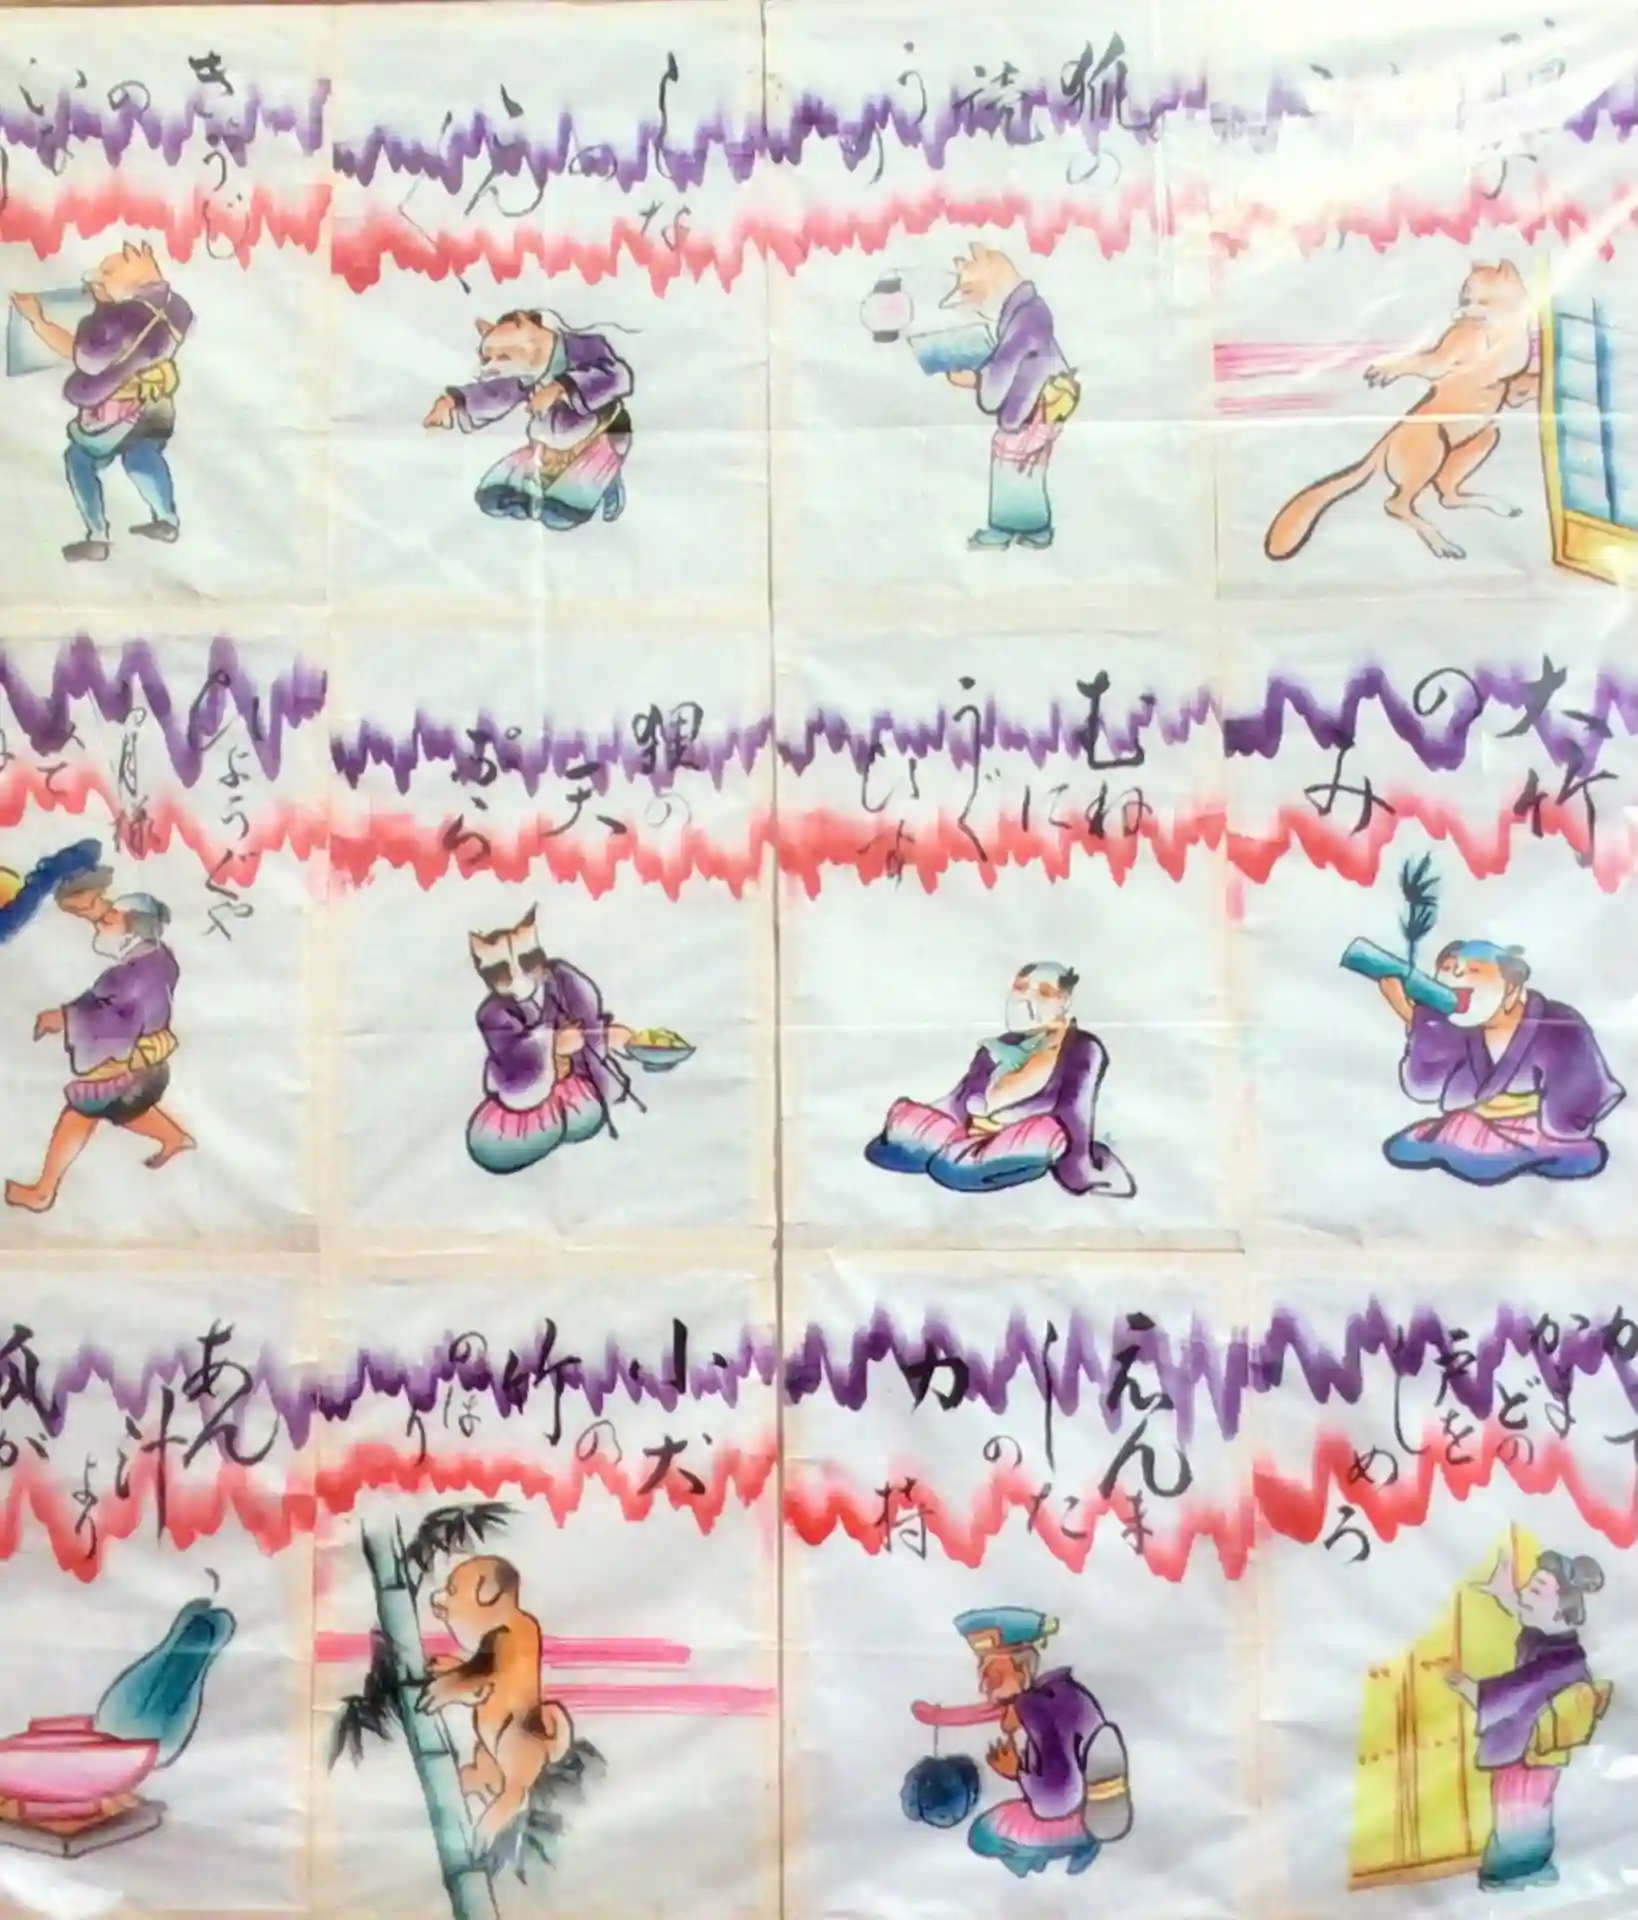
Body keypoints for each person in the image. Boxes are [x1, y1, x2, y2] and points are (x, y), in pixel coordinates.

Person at [5, 867, 193, 1212]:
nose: (98, 924)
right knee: (125, 1110)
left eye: (108, 919)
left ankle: (43, 1193)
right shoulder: (158, 958)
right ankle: (175, 1138)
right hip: (149, 1064)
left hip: (131, 1067)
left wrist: (65, 1018)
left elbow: (110, 1018)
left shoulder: (129, 977)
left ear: (132, 930)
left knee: (80, 1112)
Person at [866, 963, 1133, 1196]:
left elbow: (1076, 1112)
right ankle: (955, 1152)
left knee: (1039, 1138)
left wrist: (1080, 1166)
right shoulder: (999, 1046)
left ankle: (960, 1159)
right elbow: (959, 1099)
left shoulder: (1083, 1048)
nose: (1026, 1000)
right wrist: (925, 1119)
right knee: (905, 1124)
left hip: (1022, 1136)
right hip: (971, 1134)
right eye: (1020, 989)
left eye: (1044, 993)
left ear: (1064, 1002)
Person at [1376, 940, 1623, 1183]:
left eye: (1475, 970)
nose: (1457, 974)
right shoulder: (1458, 1025)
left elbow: (1578, 1093)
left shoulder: (1558, 1022)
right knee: (1420, 1144)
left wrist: (1562, 1126)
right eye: (1448, 968)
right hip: (1473, 1122)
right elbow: (1425, 1086)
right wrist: (1416, 1018)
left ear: (1511, 988)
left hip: (1537, 1127)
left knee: (1568, 1154)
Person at [9, 239, 194, 562]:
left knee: (79, 458)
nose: (100, 278)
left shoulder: (121, 316)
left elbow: (87, 359)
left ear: (137, 264)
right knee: (141, 456)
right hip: (157, 405)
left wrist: (39, 320)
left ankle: (97, 536)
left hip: (118, 410)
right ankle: (167, 520)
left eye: (109, 272)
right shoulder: (177, 307)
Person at [1445, 1551, 1612, 1890]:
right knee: (1529, 1811)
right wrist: (1506, 1593)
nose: (1524, 1594)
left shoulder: (1555, 1662)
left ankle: (1512, 1876)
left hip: (1527, 1752)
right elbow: (1527, 1615)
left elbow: (1506, 1696)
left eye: (1535, 1590)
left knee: (1518, 1814)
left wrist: (1465, 1685)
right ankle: (1531, 1870)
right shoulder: (1554, 1641)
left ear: (1561, 1608)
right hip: (1533, 1749)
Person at [954, 1608, 1131, 1877]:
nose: (984, 1688)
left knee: (984, 1834)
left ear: (1022, 1670)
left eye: (994, 1677)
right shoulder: (1061, 1693)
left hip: (1071, 1814)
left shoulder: (1040, 1709)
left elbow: (1055, 1799)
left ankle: (1050, 1853)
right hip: (1083, 1807)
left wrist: (1016, 1771)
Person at [425, 309, 634, 530]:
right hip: (547, 445)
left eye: (502, 357)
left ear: (528, 327)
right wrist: (451, 401)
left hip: (597, 436)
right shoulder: (526, 369)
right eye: (487, 359)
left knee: (560, 514)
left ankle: (607, 482)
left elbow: (618, 376)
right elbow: (496, 392)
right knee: (493, 497)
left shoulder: (584, 347)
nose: (490, 367)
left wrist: (559, 388)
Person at [465, 908, 635, 1175]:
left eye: (527, 962)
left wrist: (607, 1036)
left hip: (572, 1086)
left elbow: (589, 1022)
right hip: (523, 1099)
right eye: (501, 973)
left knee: (587, 1115)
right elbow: (512, 1060)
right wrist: (552, 1043)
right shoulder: (493, 1013)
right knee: (491, 1146)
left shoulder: (564, 980)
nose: (518, 978)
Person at [939, 242, 1079, 551]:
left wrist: (976, 380)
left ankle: (1008, 528)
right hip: (1040, 401)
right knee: (1026, 466)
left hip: (1036, 404)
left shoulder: (1028, 315)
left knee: (1013, 462)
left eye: (973, 291)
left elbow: (1005, 365)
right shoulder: (1026, 309)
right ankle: (1034, 529)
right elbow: (1007, 356)